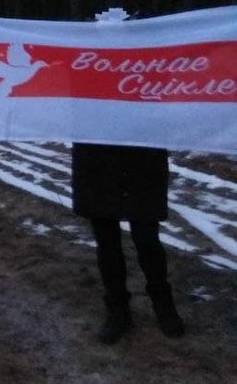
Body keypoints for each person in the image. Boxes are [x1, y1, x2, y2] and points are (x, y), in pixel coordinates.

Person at [71, 142, 185, 344]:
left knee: (147, 239)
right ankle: (117, 309)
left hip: (142, 155)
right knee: (107, 241)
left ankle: (163, 304)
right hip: (97, 158)